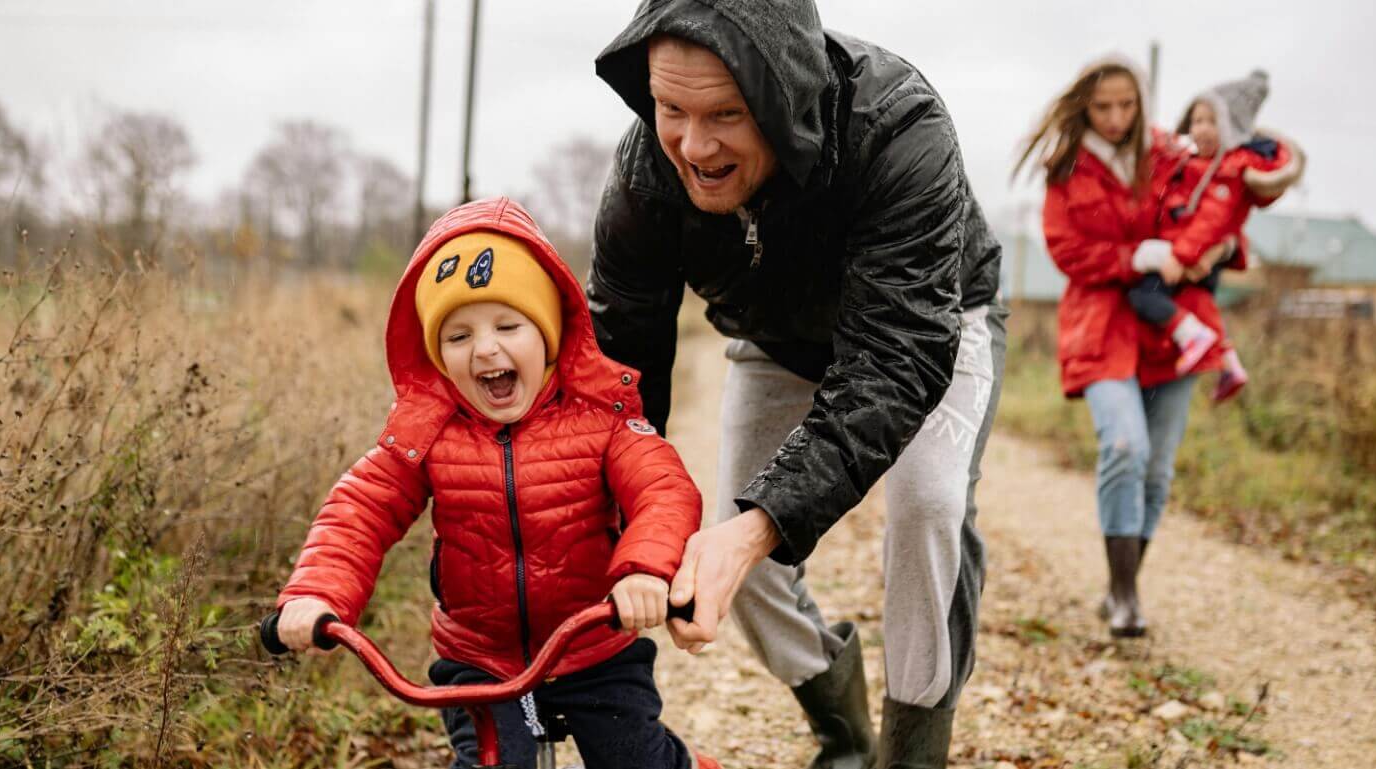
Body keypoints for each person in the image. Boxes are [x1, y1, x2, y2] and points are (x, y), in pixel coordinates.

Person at [588, 1, 1006, 766]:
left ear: (783, 96)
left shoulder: (899, 126)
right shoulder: (646, 171)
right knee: (733, 555)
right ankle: (842, 731)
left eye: (726, 114)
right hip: (775, 338)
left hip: (929, 326)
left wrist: (761, 525)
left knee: (928, 503)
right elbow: (621, 366)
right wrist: (617, 528)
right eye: (669, 108)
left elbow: (894, 359)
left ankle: (912, 752)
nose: (693, 143)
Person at [273, 197, 719, 769]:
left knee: (633, 758)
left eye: (508, 325)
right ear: (438, 356)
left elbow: (664, 489)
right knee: (492, 762)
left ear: (550, 333)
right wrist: (317, 593)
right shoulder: (427, 432)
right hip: (478, 658)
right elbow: (359, 510)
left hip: (593, 644)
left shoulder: (600, 418)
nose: (485, 348)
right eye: (458, 337)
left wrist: (643, 569)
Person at [1015, 55, 1212, 638]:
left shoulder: (1169, 154)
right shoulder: (1066, 167)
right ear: (1083, 105)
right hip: (1100, 325)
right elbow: (1066, 250)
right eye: (1102, 106)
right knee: (1125, 445)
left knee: (1156, 469)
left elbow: (1220, 200)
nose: (1115, 117)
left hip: (1173, 324)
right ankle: (1124, 596)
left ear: (1140, 102)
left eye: (1126, 105)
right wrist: (1134, 258)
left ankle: (1121, 587)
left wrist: (1213, 249)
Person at [1135, 70, 1304, 401]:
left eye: (1212, 122)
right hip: (1192, 252)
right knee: (1197, 302)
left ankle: (1193, 338)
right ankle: (1228, 363)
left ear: (1231, 128)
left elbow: (1211, 222)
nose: (1201, 129)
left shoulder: (1227, 170)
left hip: (1192, 255)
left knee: (1143, 296)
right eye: (1197, 120)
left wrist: (1181, 258)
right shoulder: (1190, 163)